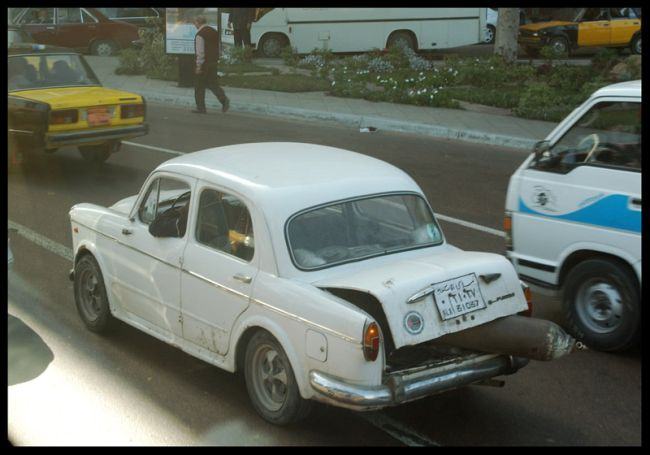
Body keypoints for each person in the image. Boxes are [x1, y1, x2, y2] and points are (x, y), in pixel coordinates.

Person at [192, 15, 230, 114]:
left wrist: (198, 66)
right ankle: (224, 100)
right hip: (213, 61)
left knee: (199, 86)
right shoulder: (214, 32)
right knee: (213, 84)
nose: (194, 24)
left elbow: (200, 52)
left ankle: (201, 108)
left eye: (195, 22)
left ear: (198, 22)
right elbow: (218, 46)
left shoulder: (200, 34)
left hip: (204, 63)